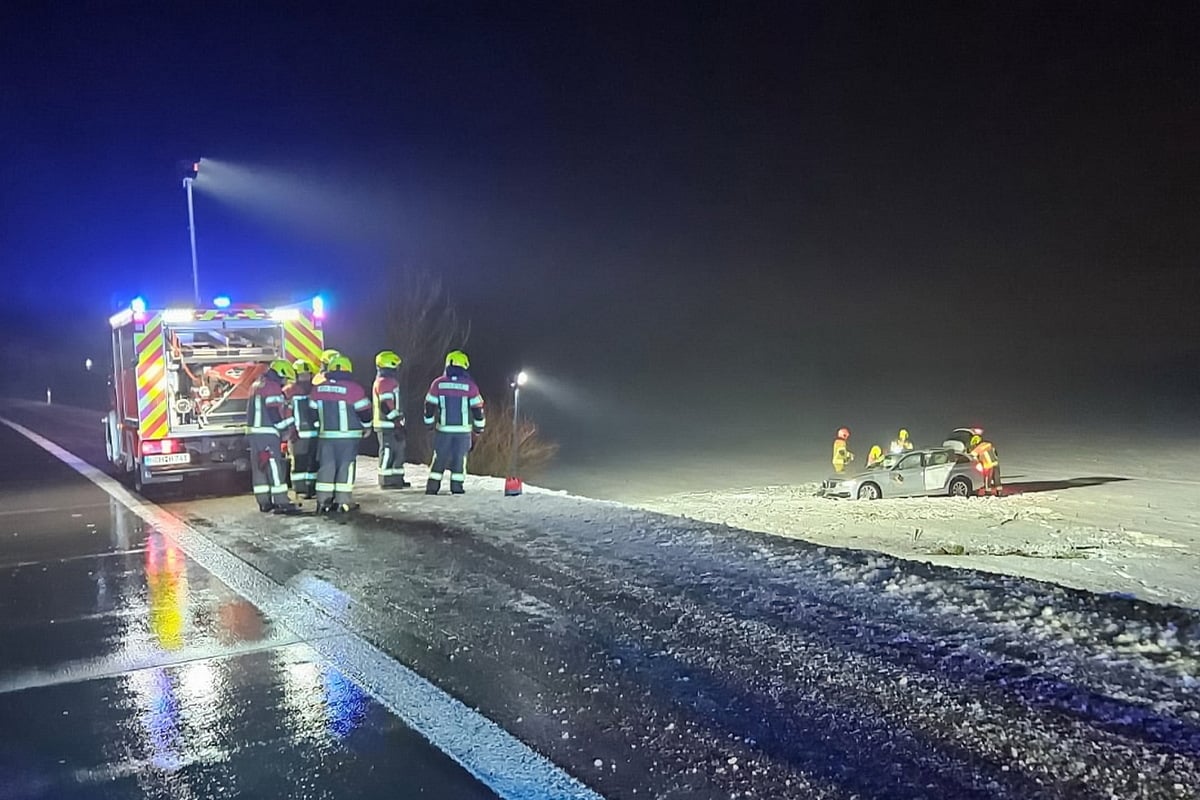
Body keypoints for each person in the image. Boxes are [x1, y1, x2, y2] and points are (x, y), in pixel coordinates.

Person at [309, 355, 373, 514]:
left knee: (326, 467)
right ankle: (342, 502)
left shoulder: (318, 389)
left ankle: (323, 501)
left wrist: (319, 427)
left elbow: (311, 412)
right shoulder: (354, 389)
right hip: (348, 437)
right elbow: (364, 411)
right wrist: (367, 427)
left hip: (326, 436)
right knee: (346, 466)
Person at [424, 350, 486, 495]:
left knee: (439, 458)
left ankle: (432, 487)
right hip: (463, 431)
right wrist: (479, 429)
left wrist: (429, 424)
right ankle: (456, 487)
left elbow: (429, 406)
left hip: (443, 430)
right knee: (459, 459)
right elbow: (478, 410)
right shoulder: (470, 386)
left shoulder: (438, 384)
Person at [244, 359, 300, 513]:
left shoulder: (257, 384)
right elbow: (274, 412)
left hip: (254, 433)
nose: (284, 382)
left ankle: (264, 502)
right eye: (284, 378)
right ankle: (282, 501)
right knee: (274, 466)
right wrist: (285, 430)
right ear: (280, 374)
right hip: (267, 432)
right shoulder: (272, 387)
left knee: (259, 467)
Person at [373, 349, 410, 488]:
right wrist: (396, 422)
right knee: (388, 451)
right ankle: (386, 481)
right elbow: (385, 405)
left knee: (398, 451)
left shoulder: (388, 381)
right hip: (386, 424)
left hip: (393, 424)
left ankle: (397, 479)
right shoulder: (385, 382)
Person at [284, 358, 320, 499]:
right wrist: (290, 430)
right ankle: (300, 489)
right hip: (298, 434)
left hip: (311, 434)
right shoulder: (289, 391)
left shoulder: (314, 390)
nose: (305, 378)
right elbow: (285, 412)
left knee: (312, 462)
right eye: (302, 375)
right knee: (299, 462)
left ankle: (310, 488)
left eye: (307, 375)